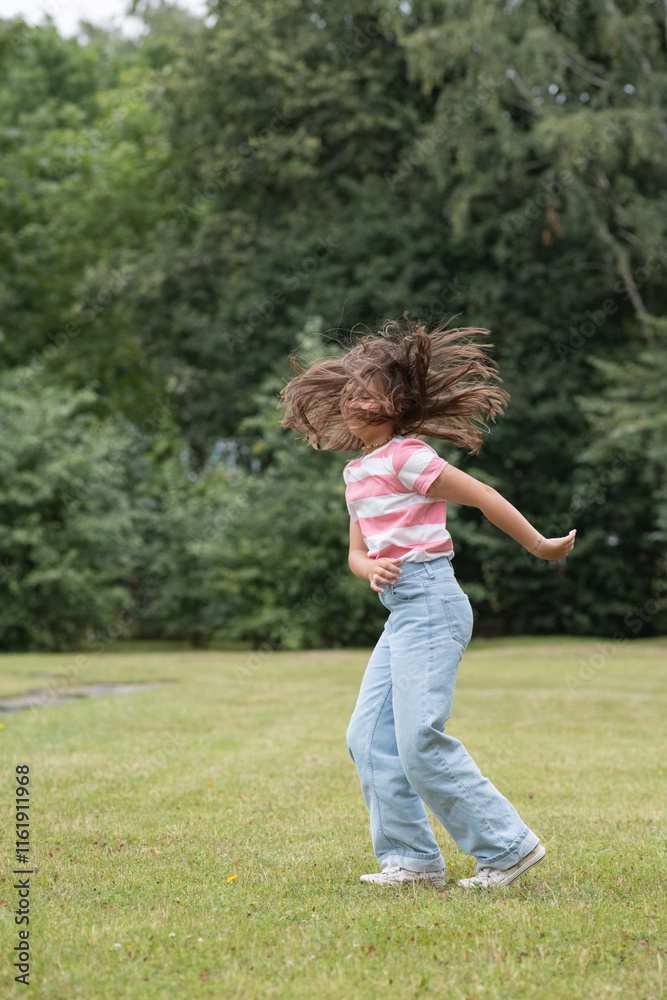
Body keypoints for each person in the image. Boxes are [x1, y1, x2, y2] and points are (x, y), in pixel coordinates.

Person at [278, 313, 576, 888]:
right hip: (401, 610)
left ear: (394, 405)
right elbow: (356, 553)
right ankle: (411, 859)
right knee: (367, 737)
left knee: (418, 740)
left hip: (432, 602)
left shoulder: (407, 457)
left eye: (365, 394)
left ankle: (507, 848)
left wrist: (540, 545)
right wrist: (370, 568)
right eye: (349, 393)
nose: (352, 402)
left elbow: (483, 495)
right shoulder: (356, 472)